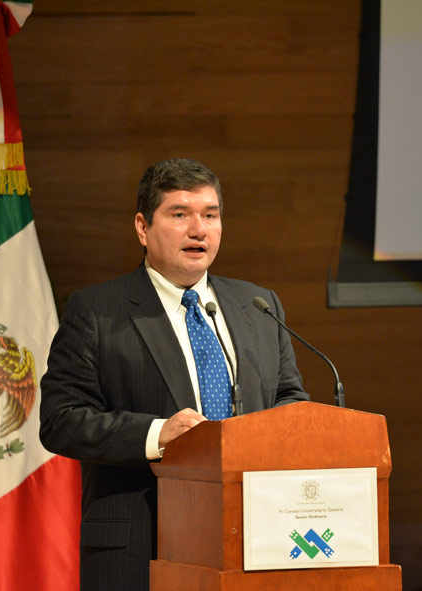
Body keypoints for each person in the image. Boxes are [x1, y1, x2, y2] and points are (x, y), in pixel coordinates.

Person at [39, 158, 308, 591]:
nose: (199, 230)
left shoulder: (259, 306)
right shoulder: (97, 311)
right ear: (143, 227)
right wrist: (158, 434)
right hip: (142, 546)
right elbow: (61, 420)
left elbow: (290, 402)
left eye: (211, 215)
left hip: (255, 539)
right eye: (180, 214)